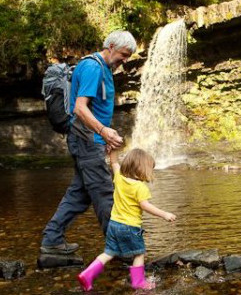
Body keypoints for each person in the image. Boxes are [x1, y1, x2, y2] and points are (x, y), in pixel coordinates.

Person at [40, 30, 137, 255]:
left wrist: (105, 135)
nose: (125, 60)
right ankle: (121, 248)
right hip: (86, 140)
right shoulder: (93, 67)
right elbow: (80, 108)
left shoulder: (103, 68)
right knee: (104, 191)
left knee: (80, 193)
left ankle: (52, 239)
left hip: (89, 139)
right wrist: (103, 132)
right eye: (124, 54)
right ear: (111, 46)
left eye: (128, 56)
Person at [77, 148, 177, 291]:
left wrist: (113, 150)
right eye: (150, 169)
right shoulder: (140, 187)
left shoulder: (119, 177)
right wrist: (164, 214)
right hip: (130, 227)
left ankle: (87, 274)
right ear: (141, 169)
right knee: (139, 253)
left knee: (109, 252)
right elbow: (145, 206)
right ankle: (138, 282)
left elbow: (114, 162)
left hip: (114, 224)